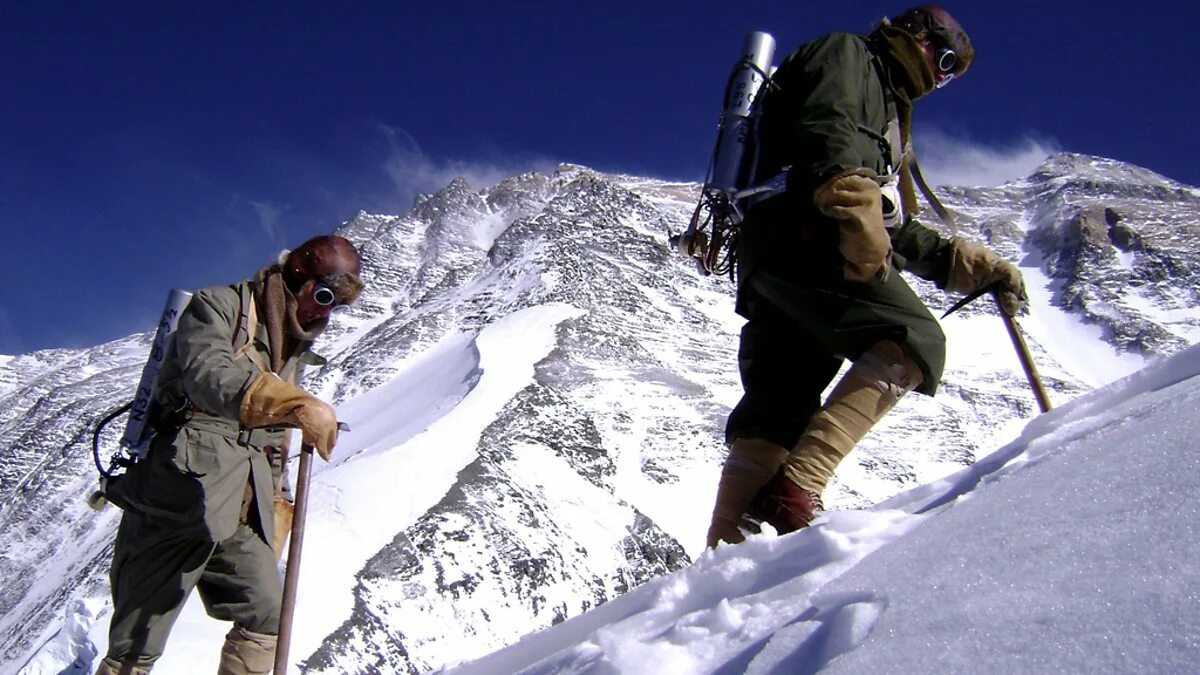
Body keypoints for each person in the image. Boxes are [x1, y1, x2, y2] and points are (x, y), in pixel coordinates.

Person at [706, 5, 1026, 548]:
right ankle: (798, 488)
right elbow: (829, 133)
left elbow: (889, 224)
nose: (940, 79)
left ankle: (722, 559)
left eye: (951, 75)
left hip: (777, 254)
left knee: (776, 409)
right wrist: (851, 207)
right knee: (913, 338)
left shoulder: (886, 106)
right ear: (917, 36)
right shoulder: (851, 56)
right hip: (809, 236)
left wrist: (964, 264)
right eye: (944, 61)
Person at [96, 235, 365, 674]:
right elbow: (209, 373)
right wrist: (290, 402)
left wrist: (276, 500)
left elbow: (272, 440)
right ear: (296, 274)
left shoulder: (289, 349)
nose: (324, 311)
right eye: (322, 295)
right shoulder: (218, 307)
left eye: (335, 303)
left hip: (242, 507)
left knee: (268, 617)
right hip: (180, 494)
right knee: (136, 645)